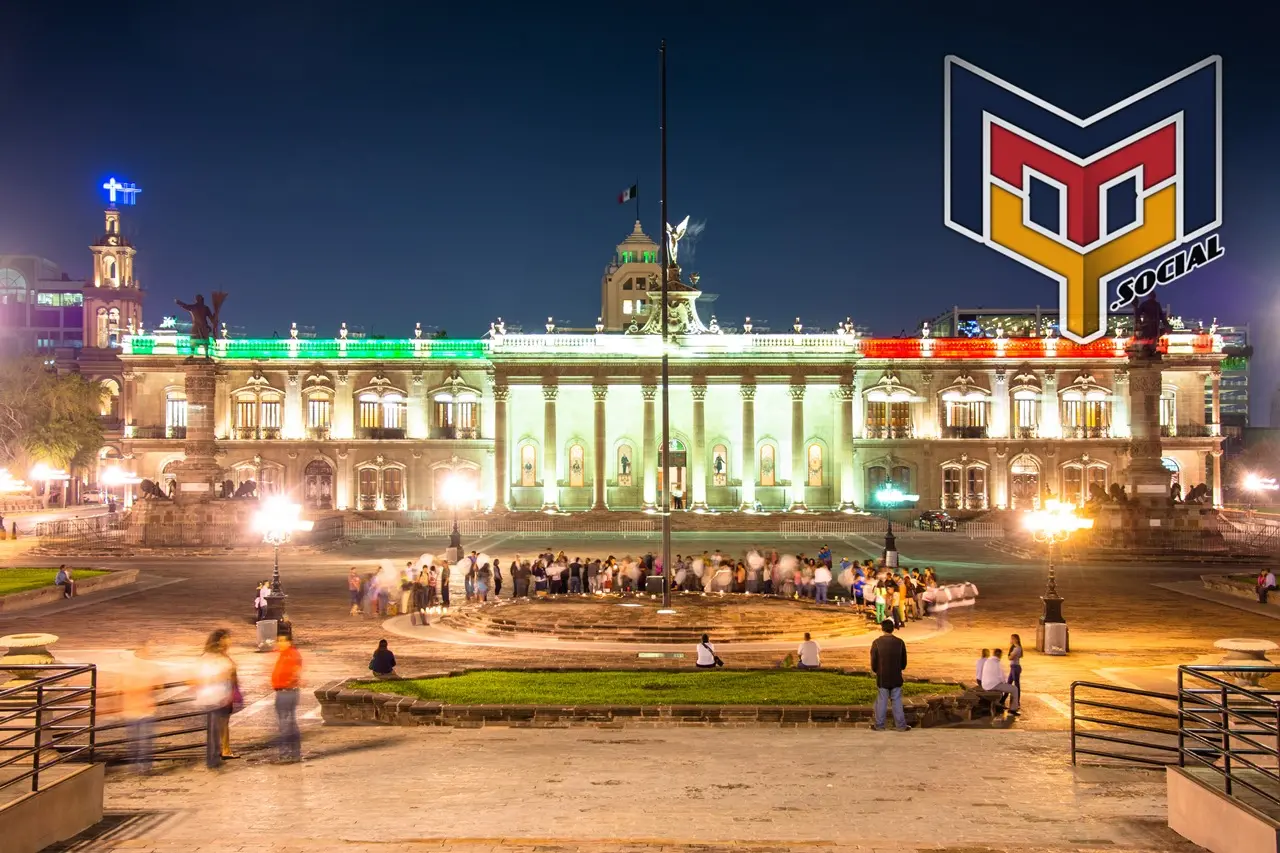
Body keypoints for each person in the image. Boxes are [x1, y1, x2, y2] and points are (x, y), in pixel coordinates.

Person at [196, 629, 239, 768]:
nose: (229, 641)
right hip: (218, 694)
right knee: (217, 725)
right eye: (227, 638)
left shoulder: (221, 655)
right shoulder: (214, 657)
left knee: (222, 723)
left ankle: (223, 750)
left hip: (225, 692)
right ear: (220, 640)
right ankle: (219, 753)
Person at [121, 642, 160, 774]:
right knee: (142, 741)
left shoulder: (130, 670)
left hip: (137, 710)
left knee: (138, 741)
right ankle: (142, 766)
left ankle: (139, 766)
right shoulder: (146, 671)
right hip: (139, 710)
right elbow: (158, 686)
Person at [869, 619, 910, 732]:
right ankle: (901, 726)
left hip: (883, 676)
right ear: (893, 628)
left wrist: (876, 670)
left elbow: (874, 661)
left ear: (882, 629)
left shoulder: (876, 643)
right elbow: (903, 662)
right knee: (896, 700)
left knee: (882, 700)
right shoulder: (900, 642)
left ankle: (880, 725)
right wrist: (899, 668)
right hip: (896, 675)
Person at [271, 633, 303, 762]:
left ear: (289, 642)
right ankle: (295, 752)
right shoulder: (284, 654)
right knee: (290, 723)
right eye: (279, 641)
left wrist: (290, 682)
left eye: (283, 641)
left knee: (284, 724)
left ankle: (285, 754)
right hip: (284, 691)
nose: (280, 643)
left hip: (286, 692)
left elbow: (296, 671)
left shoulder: (291, 655)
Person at [979, 647, 1020, 716]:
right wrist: (1005, 684)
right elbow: (1002, 678)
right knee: (1014, 689)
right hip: (992, 685)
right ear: (1000, 655)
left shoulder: (988, 661)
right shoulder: (998, 663)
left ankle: (1000, 704)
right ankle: (1013, 709)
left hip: (985, 684)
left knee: (1002, 686)